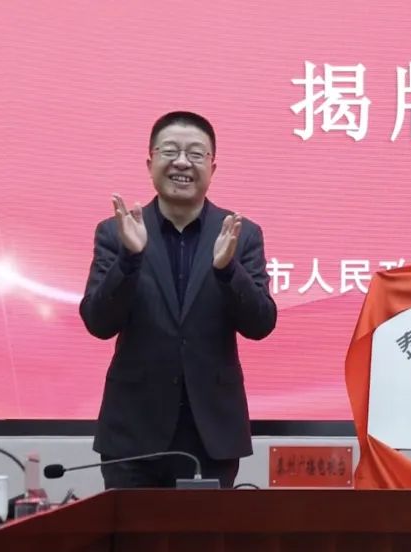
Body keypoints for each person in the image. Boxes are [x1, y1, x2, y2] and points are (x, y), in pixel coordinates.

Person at [80, 111, 277, 488]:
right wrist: (129, 259)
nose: (182, 162)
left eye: (196, 153)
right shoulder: (117, 232)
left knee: (204, 531)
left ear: (212, 168)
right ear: (150, 163)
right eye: (170, 151)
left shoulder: (240, 234)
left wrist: (227, 270)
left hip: (211, 434)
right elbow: (98, 322)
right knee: (131, 530)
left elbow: (261, 324)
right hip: (132, 434)